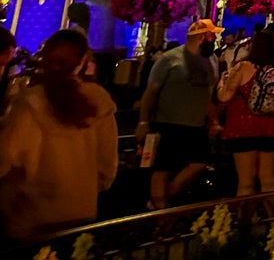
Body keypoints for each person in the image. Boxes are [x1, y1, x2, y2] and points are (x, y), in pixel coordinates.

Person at [0, 30, 118, 241]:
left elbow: (6, 158)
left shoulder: (30, 103)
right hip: (81, 210)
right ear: (82, 62)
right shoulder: (99, 102)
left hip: (33, 216)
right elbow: (107, 164)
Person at [137, 18, 222, 209]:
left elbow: (209, 93)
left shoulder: (212, 60)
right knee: (162, 169)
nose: (215, 38)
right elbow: (151, 92)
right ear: (202, 37)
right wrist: (143, 122)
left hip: (196, 125)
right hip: (168, 124)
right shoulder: (170, 59)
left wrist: (213, 119)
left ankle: (161, 202)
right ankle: (161, 213)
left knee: (199, 162)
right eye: (212, 35)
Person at [215, 32, 274, 196]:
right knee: (268, 178)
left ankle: (245, 220)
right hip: (270, 127)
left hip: (243, 128)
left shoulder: (244, 66)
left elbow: (224, 97)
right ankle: (272, 219)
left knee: (246, 182)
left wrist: (221, 84)